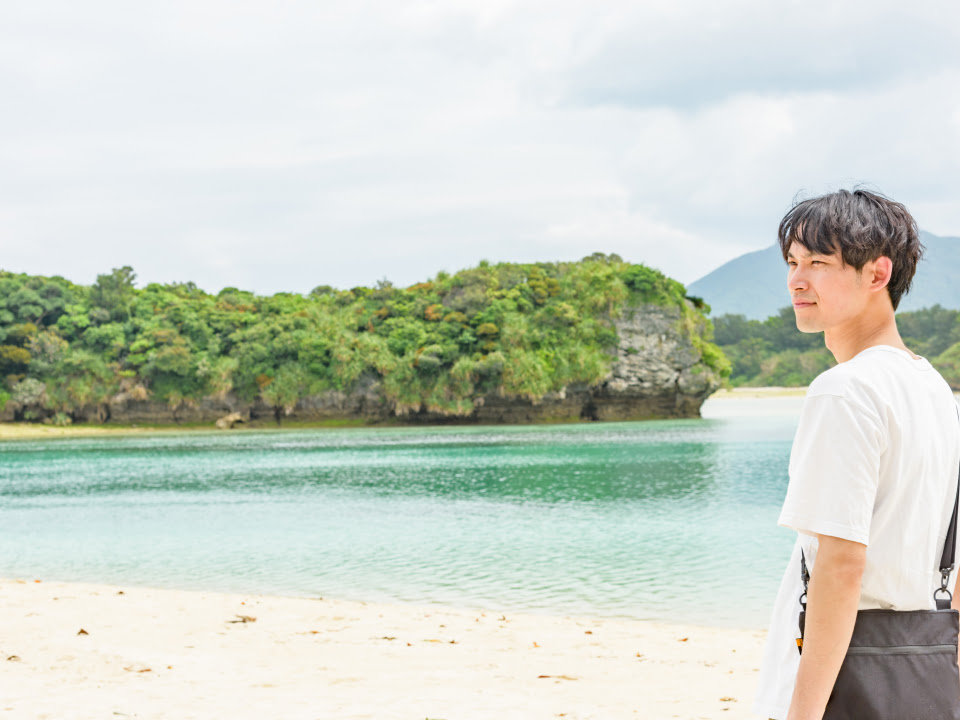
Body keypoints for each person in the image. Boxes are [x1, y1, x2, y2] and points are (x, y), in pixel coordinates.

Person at [752, 188, 960, 720]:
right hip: (921, 673)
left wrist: (802, 714)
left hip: (850, 677)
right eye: (793, 262)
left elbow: (841, 565)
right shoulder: (936, 390)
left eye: (819, 263)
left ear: (877, 273)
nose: (798, 280)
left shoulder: (844, 390)